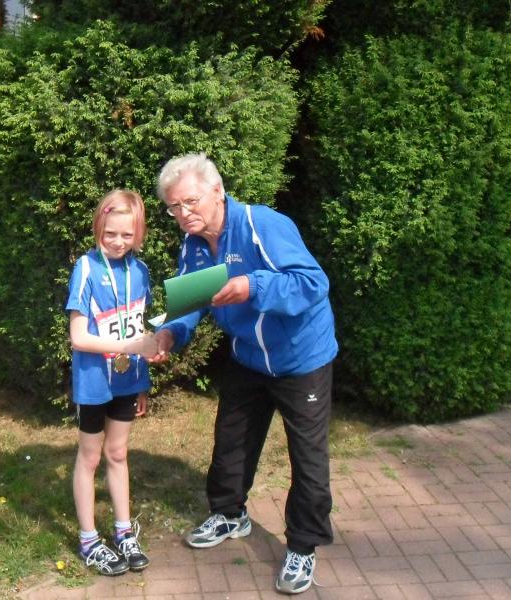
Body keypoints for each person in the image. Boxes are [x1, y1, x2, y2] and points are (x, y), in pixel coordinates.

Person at [153, 153, 338, 595]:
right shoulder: (194, 243)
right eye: (174, 207)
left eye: (191, 202)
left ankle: (303, 545)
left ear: (218, 191)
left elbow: (313, 283)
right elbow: (191, 298)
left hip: (300, 357)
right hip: (247, 356)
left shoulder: (261, 224)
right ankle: (229, 515)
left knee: (308, 459)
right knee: (232, 440)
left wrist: (252, 285)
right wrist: (170, 333)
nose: (184, 213)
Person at [66, 189, 159, 576]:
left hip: (127, 380)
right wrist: (130, 346)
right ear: (97, 229)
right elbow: (78, 337)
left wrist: (143, 378)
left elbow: (137, 326)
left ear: (139, 233)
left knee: (118, 453)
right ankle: (89, 540)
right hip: (94, 382)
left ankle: (123, 531)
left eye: (127, 234)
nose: (118, 242)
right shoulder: (86, 268)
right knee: (90, 457)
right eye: (110, 234)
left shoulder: (141, 271)